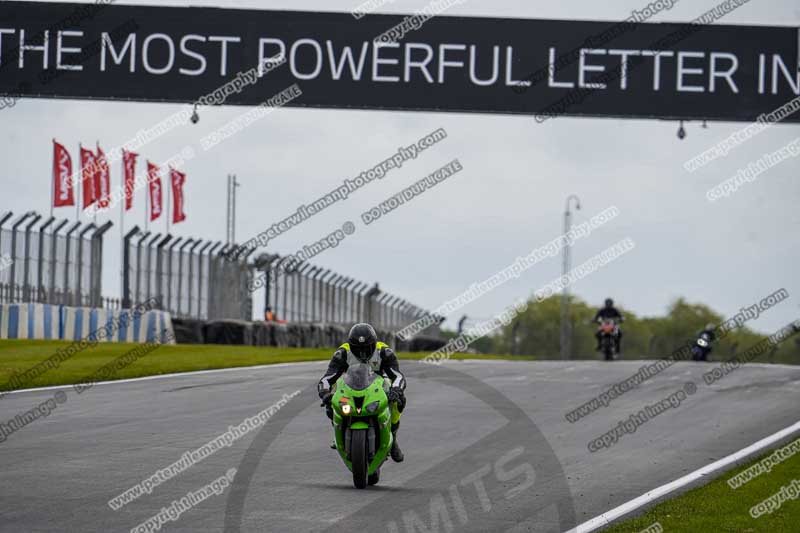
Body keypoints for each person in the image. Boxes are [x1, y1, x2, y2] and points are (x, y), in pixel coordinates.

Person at [317, 323, 406, 462]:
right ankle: (338, 432)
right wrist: (325, 393)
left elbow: (398, 376)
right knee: (331, 404)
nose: (363, 352)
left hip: (379, 387)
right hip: (350, 386)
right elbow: (327, 378)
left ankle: (393, 437)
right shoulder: (342, 353)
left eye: (367, 348)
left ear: (374, 344)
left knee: (400, 400)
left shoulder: (384, 352)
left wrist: (396, 390)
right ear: (351, 345)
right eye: (358, 349)